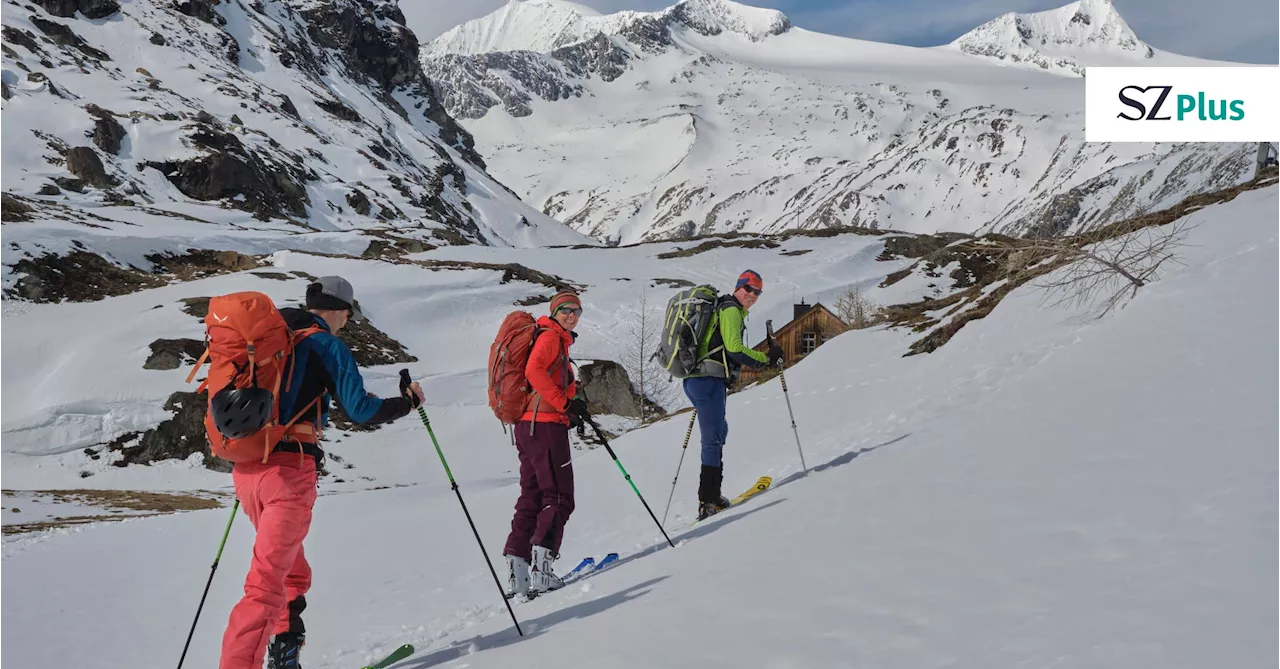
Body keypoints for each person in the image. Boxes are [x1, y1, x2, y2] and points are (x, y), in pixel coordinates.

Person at [219, 276, 425, 669]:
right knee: (264, 586)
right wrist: (406, 404)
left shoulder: (265, 339)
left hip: (247, 471)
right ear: (338, 310)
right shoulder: (325, 343)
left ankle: (285, 657)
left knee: (290, 569)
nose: (347, 321)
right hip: (289, 473)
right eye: (348, 313)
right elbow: (360, 410)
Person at [502, 291, 590, 600]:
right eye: (566, 310)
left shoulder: (552, 337)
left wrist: (568, 406)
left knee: (532, 495)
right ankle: (542, 569)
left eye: (577, 311)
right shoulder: (551, 337)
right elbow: (534, 371)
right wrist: (564, 403)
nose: (572, 315)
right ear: (554, 312)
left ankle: (519, 569)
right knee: (560, 497)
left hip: (527, 427)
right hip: (545, 426)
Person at [684, 270, 783, 520]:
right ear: (738, 286)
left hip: (703, 380)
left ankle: (712, 496)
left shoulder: (727, 309)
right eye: (748, 289)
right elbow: (734, 348)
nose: (752, 295)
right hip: (707, 380)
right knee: (712, 439)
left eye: (757, 292)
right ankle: (708, 500)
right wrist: (766, 359)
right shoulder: (730, 310)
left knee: (718, 433)